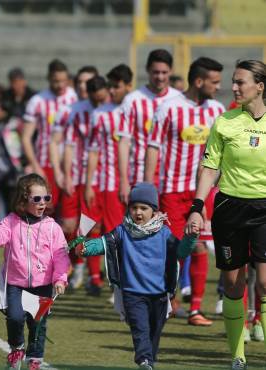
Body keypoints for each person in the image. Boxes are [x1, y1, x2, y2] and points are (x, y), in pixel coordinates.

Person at [184, 60, 266, 370]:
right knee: (233, 284)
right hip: (230, 208)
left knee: (265, 282)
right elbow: (209, 168)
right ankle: (238, 355)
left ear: (260, 86)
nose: (234, 87)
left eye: (240, 82)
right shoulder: (224, 122)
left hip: (264, 208)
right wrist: (197, 205)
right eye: (233, 81)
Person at [76, 183, 198, 370]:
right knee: (140, 330)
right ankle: (144, 361)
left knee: (154, 333)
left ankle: (149, 361)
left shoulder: (164, 233)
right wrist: (85, 248)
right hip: (133, 294)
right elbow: (103, 243)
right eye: (134, 208)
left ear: (154, 210)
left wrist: (191, 238)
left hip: (160, 295)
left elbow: (181, 252)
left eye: (144, 208)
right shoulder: (122, 231)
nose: (138, 212)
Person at [145, 57, 226, 326]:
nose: (219, 86)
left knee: (200, 247)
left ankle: (196, 309)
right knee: (173, 250)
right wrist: (147, 190)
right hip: (171, 191)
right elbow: (153, 147)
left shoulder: (217, 110)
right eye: (214, 82)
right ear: (199, 81)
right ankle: (168, 298)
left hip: (202, 193)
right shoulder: (168, 108)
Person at [0, 174, 69, 370]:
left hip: (43, 286)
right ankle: (17, 349)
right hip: (16, 284)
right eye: (36, 199)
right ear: (23, 199)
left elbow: (61, 256)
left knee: (38, 325)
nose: (42, 203)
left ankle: (34, 360)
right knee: (14, 317)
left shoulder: (52, 227)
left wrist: (60, 279)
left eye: (46, 198)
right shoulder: (12, 221)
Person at [64, 75, 109, 295]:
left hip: (107, 178)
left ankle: (96, 276)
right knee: (77, 226)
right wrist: (67, 175)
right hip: (82, 177)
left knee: (100, 227)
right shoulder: (77, 111)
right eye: (97, 99)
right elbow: (70, 145)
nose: (101, 102)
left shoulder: (113, 109)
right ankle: (80, 269)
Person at [118, 49, 181, 203]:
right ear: (147, 70)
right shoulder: (132, 100)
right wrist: (124, 181)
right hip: (138, 176)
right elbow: (124, 143)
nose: (160, 77)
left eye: (164, 72)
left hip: (170, 179)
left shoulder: (179, 99)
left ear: (171, 71)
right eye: (156, 72)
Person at [21, 60, 78, 210]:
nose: (60, 85)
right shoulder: (38, 101)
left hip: (71, 164)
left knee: (70, 218)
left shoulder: (75, 98)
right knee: (46, 210)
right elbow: (26, 137)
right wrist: (35, 165)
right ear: (48, 78)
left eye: (63, 81)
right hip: (45, 164)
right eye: (56, 81)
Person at [86, 64, 134, 240]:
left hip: (140, 178)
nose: (111, 91)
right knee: (114, 231)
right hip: (111, 183)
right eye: (110, 87)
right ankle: (109, 268)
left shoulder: (140, 107)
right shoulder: (100, 114)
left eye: (116, 86)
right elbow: (93, 151)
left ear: (128, 86)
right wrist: (90, 184)